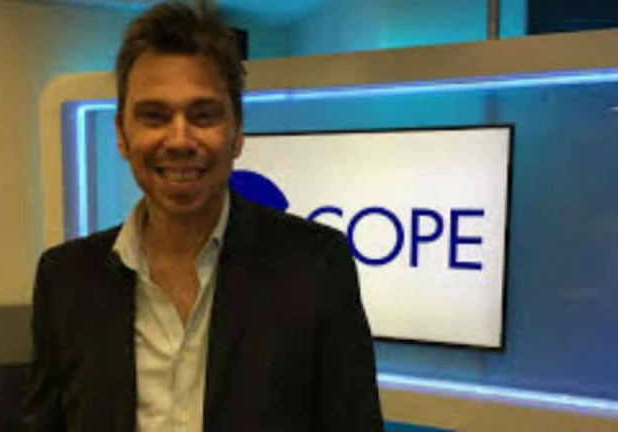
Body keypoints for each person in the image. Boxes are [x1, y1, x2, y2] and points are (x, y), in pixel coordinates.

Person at [22, 1, 383, 431]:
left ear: (237, 132)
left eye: (203, 115)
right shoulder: (65, 279)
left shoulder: (315, 266)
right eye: (154, 116)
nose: (179, 140)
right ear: (121, 133)